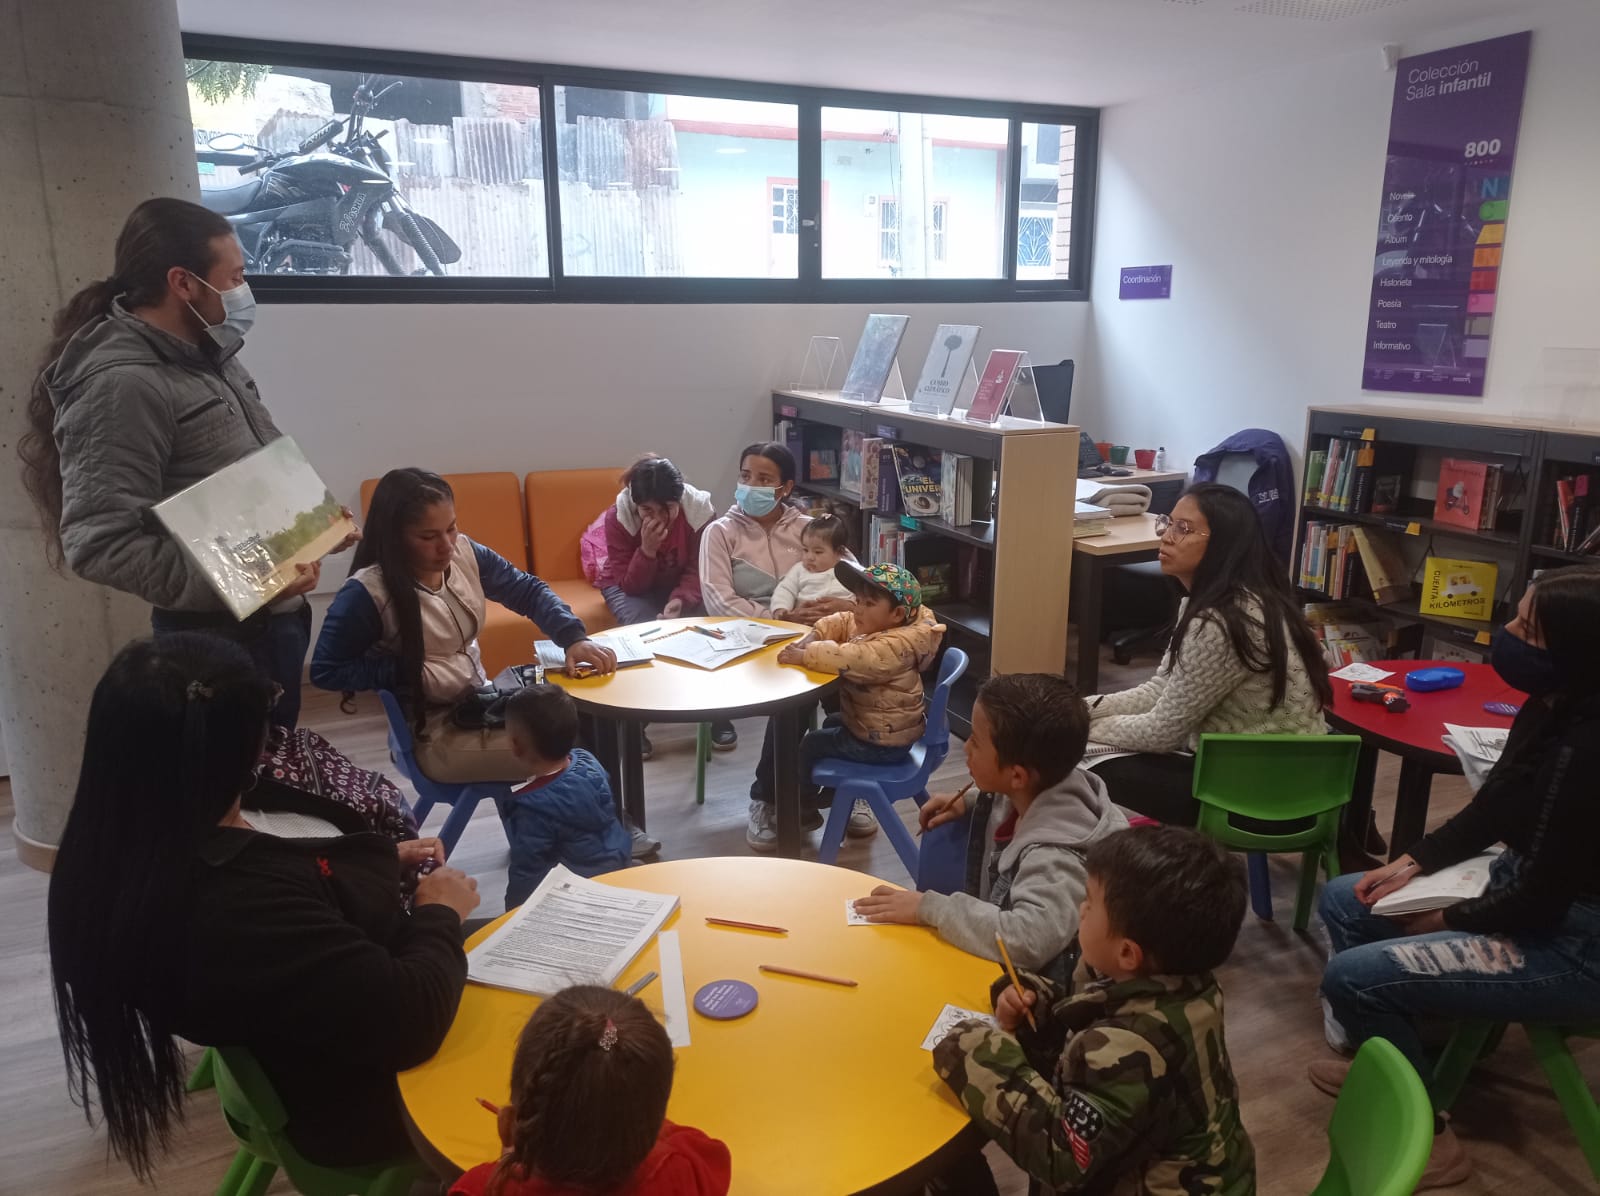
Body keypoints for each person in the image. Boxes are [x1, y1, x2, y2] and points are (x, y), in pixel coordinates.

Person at [48, 633, 481, 1181]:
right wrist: (439, 911)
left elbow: (297, 914)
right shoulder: (232, 906)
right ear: (248, 747)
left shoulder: (128, 839)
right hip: (359, 1097)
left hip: (315, 1039)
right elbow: (409, 1019)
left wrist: (374, 865)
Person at [1312, 567, 1600, 1190]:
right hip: (1524, 891)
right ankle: (1396, 1058)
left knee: (1352, 980)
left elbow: (1539, 898)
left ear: (1576, 650)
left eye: (1529, 629)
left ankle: (1432, 1136)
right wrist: (1411, 862)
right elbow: (1495, 804)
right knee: (1344, 899)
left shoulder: (1588, 752)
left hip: (1574, 944)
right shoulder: (1556, 704)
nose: (1509, 633)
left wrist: (1441, 919)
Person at [19, 197, 355, 728]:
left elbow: (246, 459)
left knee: (271, 781)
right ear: (183, 283)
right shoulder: (121, 384)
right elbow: (99, 543)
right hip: (215, 641)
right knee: (231, 796)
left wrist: (311, 524)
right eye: (235, 275)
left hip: (274, 627)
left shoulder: (210, 350)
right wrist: (251, 580)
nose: (244, 289)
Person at [931, 826, 1254, 1195]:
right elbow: (1102, 1006)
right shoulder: (1188, 984)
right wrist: (1040, 1000)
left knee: (953, 1167)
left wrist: (979, 1052)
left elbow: (1062, 1157)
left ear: (1128, 953)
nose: (1080, 909)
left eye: (1089, 902)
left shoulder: (1130, 1051)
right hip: (1207, 1172)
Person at [853, 672, 1127, 982]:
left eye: (976, 741)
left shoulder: (1057, 859)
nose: (966, 748)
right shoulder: (1041, 783)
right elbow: (1012, 793)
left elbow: (1027, 940)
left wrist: (930, 909)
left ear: (1018, 776)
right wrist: (970, 801)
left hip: (1033, 998)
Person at [1085, 483, 1331, 825]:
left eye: (1184, 529)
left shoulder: (1220, 621)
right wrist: (1087, 709)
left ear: (1223, 546)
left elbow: (1161, 732)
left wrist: (1080, 730)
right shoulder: (1251, 598)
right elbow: (1161, 689)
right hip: (1299, 782)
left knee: (1076, 760)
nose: (1167, 536)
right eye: (1168, 523)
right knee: (1083, 745)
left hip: (1260, 798)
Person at [699, 442, 855, 849]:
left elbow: (856, 575)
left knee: (850, 687)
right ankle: (766, 799)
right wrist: (779, 617)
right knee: (798, 695)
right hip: (749, 642)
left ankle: (849, 789)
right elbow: (719, 600)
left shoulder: (811, 527)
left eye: (764, 479)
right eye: (745, 476)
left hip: (815, 637)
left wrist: (842, 604)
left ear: (785, 487)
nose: (751, 485)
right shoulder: (720, 533)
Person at [450, 985, 731, 1196]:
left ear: (508, 1125)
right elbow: (712, 1155)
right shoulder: (677, 1170)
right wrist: (621, 1106)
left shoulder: (480, 1188)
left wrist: (511, 1162)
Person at [774, 562, 944, 847]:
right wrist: (816, 634)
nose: (858, 609)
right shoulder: (891, 625)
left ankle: (803, 809)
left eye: (868, 603)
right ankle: (836, 793)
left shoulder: (892, 646)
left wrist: (805, 655)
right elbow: (843, 620)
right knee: (832, 722)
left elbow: (852, 658)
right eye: (858, 601)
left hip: (883, 745)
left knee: (811, 745)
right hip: (886, 727)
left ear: (897, 614)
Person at [599, 455, 735, 754]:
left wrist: (680, 599)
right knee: (641, 631)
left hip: (681, 584)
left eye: (668, 509)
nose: (658, 518)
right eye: (648, 510)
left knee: (708, 628)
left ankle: (718, 716)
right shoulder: (619, 518)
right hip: (629, 584)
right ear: (636, 505)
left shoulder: (699, 513)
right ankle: (637, 722)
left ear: (680, 499)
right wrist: (647, 551)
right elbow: (629, 584)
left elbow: (702, 568)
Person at [500, 684, 632, 909]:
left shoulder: (532, 808)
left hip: (578, 895)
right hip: (618, 864)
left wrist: (513, 911)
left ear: (514, 746)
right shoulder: (588, 762)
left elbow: (528, 870)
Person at [769, 514, 855, 620]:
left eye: (818, 552)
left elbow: (863, 597)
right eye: (805, 550)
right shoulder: (799, 570)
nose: (809, 557)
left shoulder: (851, 572)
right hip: (804, 622)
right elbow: (785, 590)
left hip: (842, 624)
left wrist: (851, 605)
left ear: (839, 552)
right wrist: (781, 610)